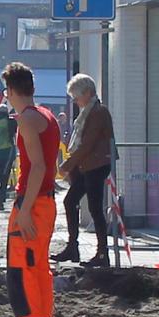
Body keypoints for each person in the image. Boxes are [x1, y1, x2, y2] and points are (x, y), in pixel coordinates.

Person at [2, 62, 59, 317]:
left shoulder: (26, 119)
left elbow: (37, 166)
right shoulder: (47, 115)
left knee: (22, 268)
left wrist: (24, 210)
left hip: (32, 202)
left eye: (6, 91)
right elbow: (52, 166)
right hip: (45, 202)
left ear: (12, 90)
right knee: (38, 268)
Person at [57, 74, 116, 266]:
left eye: (76, 96)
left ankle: (102, 253)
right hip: (87, 165)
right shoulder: (87, 113)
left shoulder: (98, 113)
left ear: (88, 93)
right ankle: (73, 247)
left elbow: (87, 144)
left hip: (96, 165)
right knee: (70, 201)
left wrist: (68, 165)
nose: (75, 101)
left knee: (95, 207)